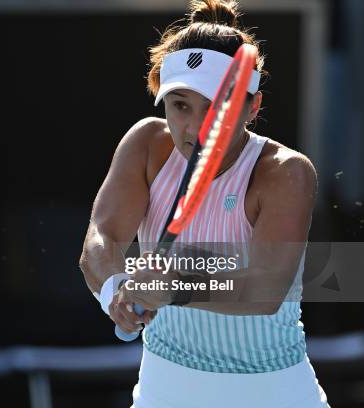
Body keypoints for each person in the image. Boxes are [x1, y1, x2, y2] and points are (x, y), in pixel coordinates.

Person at [78, 0, 330, 406]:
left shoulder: (286, 172)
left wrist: (174, 286)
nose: (195, 128)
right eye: (180, 105)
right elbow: (101, 237)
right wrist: (114, 291)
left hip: (272, 395)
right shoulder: (145, 144)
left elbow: (264, 288)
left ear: (253, 106)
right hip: (164, 391)